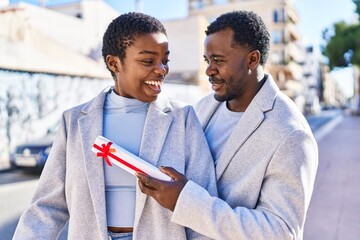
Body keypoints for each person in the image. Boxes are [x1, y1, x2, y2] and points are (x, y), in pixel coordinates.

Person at [13, 12, 217, 240]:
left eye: (165, 60)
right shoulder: (74, 122)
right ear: (114, 62)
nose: (161, 69)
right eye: (148, 61)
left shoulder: (183, 118)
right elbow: (47, 207)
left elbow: (203, 205)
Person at [136, 10, 318, 239]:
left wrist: (186, 203)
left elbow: (280, 231)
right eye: (207, 60)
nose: (209, 70)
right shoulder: (203, 108)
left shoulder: (291, 133)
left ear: (253, 59)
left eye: (219, 60)